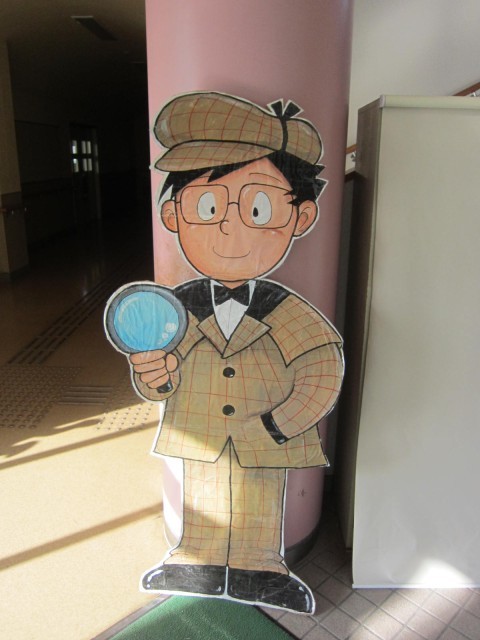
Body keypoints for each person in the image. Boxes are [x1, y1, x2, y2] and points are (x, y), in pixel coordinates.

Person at [129, 92, 344, 613]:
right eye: (207, 207)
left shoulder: (287, 312)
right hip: (199, 430)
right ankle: (194, 559)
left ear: (301, 215)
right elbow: (155, 378)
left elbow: (321, 367)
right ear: (173, 214)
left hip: (266, 434)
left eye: (257, 208)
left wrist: (278, 425)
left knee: (259, 502)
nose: (229, 226)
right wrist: (153, 374)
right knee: (201, 495)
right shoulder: (173, 309)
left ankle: (260, 567)